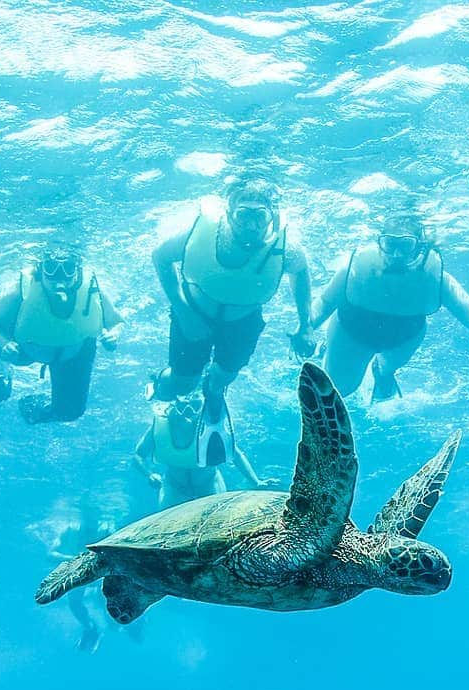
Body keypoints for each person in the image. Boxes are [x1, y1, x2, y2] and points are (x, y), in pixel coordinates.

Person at [149, 177, 314, 457]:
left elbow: (301, 272)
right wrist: (182, 310)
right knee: (182, 383)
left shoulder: (287, 248)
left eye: (259, 216)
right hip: (193, 313)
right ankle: (158, 384)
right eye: (243, 215)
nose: (250, 225)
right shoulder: (199, 232)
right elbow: (160, 256)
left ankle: (213, 393)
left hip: (243, 323)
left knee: (222, 377)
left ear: (272, 216)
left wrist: (305, 325)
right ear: (228, 214)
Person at [311, 211, 469, 402]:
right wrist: (305, 328)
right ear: (380, 243)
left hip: (403, 338)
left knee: (387, 368)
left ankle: (382, 372)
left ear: (419, 247)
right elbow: (325, 303)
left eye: (406, 245)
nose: (397, 254)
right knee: (339, 391)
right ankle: (328, 350)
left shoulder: (439, 280)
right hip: (351, 332)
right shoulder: (355, 269)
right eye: (390, 244)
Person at [0, 245, 125, 424]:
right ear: (40, 269)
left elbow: (116, 321)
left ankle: (33, 405)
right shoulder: (22, 287)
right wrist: (5, 343)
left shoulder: (91, 288)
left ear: (77, 270)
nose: (60, 278)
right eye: (51, 268)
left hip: (73, 355)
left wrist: (114, 335)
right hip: (23, 350)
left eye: (68, 269)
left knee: (69, 414)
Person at [132, 392, 271, 509]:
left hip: (210, 486)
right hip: (173, 488)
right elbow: (138, 455)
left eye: (195, 406)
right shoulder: (159, 427)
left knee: (216, 528)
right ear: (173, 406)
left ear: (202, 407)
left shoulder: (210, 428)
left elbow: (236, 455)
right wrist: (148, 474)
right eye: (182, 407)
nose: (188, 412)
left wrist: (255, 482)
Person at [47, 504, 117, 652]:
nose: (91, 520)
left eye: (93, 515)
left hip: (101, 573)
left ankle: (113, 624)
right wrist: (77, 560)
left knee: (105, 599)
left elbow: (117, 554)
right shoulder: (70, 530)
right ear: (82, 515)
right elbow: (50, 554)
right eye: (87, 515)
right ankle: (90, 628)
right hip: (77, 573)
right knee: (74, 604)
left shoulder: (106, 531)